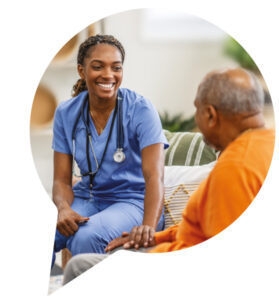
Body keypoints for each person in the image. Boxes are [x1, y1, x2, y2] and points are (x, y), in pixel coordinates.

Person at [62, 67, 275, 284]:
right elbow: (208, 229)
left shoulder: (235, 169)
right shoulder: (268, 146)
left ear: (210, 115)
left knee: (79, 267)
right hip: (169, 242)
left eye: (197, 110)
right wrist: (157, 237)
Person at [51, 34, 168, 267]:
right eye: (97, 67)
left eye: (116, 68)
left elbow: (155, 177)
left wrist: (148, 226)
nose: (108, 75)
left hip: (133, 202)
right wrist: (63, 209)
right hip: (88, 197)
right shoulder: (67, 113)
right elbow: (61, 180)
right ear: (81, 71)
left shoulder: (140, 109)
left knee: (86, 236)